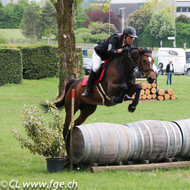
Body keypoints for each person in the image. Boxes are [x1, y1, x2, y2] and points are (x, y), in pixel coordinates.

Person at [82, 26, 138, 97]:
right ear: (125, 36)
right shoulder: (115, 38)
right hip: (99, 53)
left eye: (133, 38)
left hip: (109, 57)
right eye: (130, 37)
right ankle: (88, 89)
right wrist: (121, 50)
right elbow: (110, 51)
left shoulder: (129, 45)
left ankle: (123, 92)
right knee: (96, 67)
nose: (132, 39)